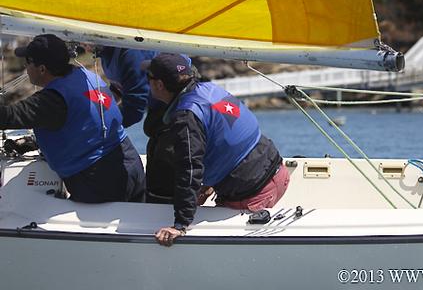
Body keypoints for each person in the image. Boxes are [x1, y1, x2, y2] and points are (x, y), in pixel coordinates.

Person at [142, 54, 289, 246]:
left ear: (159, 85)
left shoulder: (186, 117)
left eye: (149, 79)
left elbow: (189, 170)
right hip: (278, 172)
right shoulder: (209, 89)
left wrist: (180, 225)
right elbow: (225, 139)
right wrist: (208, 184)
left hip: (254, 194)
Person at [4, 34, 145, 203]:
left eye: (28, 62)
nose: (26, 68)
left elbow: (7, 117)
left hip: (100, 179)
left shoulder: (52, 100)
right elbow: (82, 123)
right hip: (130, 162)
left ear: (42, 69)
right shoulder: (85, 75)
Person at [97, 47, 157, 128]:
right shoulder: (103, 52)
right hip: (152, 104)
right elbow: (117, 89)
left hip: (169, 105)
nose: (83, 44)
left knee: (151, 127)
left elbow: (134, 111)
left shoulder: (130, 55)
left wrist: (101, 126)